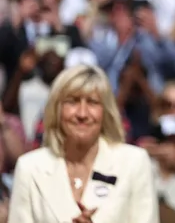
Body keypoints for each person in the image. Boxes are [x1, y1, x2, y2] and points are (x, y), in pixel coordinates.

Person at [8, 65, 159, 223]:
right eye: (72, 102)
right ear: (57, 110)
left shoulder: (134, 162)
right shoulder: (29, 168)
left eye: (93, 102)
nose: (82, 113)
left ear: (106, 111)